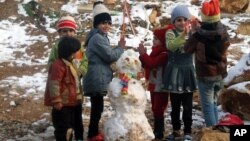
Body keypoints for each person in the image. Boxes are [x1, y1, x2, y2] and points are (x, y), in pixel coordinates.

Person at [83, 2, 126, 141]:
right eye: (102, 22)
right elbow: (110, 56)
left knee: (98, 107)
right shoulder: (97, 38)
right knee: (97, 108)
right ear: (96, 24)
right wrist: (120, 48)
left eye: (108, 22)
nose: (106, 25)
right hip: (96, 78)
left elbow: (107, 55)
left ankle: (93, 131)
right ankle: (92, 134)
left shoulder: (100, 37)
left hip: (98, 77)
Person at [184, 0, 230, 127]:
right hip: (220, 75)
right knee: (214, 102)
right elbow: (212, 30)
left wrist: (193, 32)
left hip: (205, 76)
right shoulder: (223, 32)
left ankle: (212, 132)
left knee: (208, 106)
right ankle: (216, 130)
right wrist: (201, 27)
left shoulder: (198, 36)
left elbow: (186, 49)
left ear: (204, 19)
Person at [47, 15, 86, 141]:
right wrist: (59, 69)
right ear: (59, 33)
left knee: (77, 117)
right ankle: (65, 135)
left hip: (76, 85)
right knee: (64, 118)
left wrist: (80, 71)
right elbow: (51, 64)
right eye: (64, 31)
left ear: (75, 31)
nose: (68, 33)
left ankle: (78, 136)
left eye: (70, 30)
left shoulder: (78, 46)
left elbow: (85, 61)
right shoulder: (57, 47)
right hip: (63, 87)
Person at [162, 5, 197, 141]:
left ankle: (187, 131)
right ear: (173, 22)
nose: (182, 23)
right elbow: (171, 46)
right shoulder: (170, 33)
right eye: (178, 20)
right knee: (175, 105)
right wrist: (183, 35)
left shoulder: (193, 34)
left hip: (188, 72)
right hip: (174, 73)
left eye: (184, 19)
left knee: (188, 105)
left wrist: (197, 26)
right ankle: (176, 130)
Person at [138, 27, 169, 140]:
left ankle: (159, 132)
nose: (153, 41)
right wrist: (143, 56)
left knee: (158, 108)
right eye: (153, 38)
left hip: (161, 86)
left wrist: (143, 54)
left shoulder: (164, 54)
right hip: (154, 84)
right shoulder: (155, 51)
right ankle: (157, 129)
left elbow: (152, 63)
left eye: (156, 39)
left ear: (163, 41)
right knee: (154, 108)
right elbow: (147, 64)